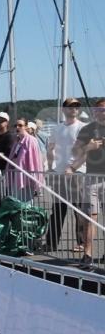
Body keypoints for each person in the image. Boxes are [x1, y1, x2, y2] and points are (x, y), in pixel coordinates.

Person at [67, 99, 105, 271]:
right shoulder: (87, 129)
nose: (100, 112)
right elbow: (75, 151)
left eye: (103, 110)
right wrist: (88, 147)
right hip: (92, 178)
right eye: (97, 110)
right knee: (90, 218)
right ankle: (87, 255)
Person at [46, 99, 85, 252]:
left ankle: (81, 242)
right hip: (60, 173)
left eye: (76, 106)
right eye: (71, 106)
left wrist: (74, 167)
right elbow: (50, 148)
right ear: (64, 109)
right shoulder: (57, 128)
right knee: (57, 209)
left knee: (79, 209)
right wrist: (50, 168)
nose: (74, 109)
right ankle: (51, 242)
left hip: (77, 173)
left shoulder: (83, 127)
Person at [5, 117, 44, 203]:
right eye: (15, 125)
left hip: (26, 178)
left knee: (26, 204)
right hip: (16, 176)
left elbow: (35, 160)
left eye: (20, 125)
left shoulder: (31, 140)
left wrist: (34, 177)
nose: (17, 127)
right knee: (17, 203)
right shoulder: (17, 141)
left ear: (26, 126)